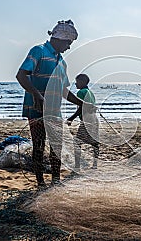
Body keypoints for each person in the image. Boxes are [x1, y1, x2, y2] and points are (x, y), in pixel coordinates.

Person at [16, 19, 94, 188]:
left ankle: (56, 182)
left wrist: (82, 103)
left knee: (56, 148)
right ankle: (40, 183)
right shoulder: (39, 51)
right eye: (68, 42)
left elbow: (63, 91)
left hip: (54, 112)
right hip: (36, 110)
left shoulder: (62, 62)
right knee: (39, 146)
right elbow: (21, 75)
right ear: (59, 38)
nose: (69, 47)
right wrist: (35, 94)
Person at [67, 74, 100, 171]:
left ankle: (77, 167)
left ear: (83, 82)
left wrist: (71, 118)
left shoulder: (81, 92)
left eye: (77, 81)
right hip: (94, 119)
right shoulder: (90, 92)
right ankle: (95, 164)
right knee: (94, 142)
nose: (75, 84)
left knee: (77, 142)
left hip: (86, 120)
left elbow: (82, 107)